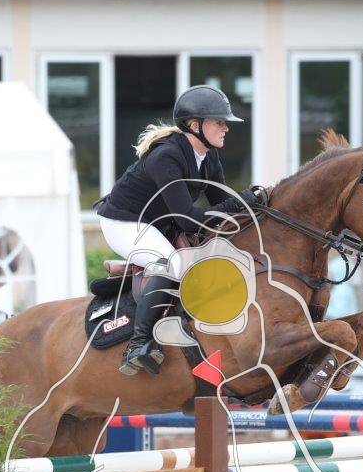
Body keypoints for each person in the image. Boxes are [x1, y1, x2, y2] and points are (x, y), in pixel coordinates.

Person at [95, 84, 248, 376]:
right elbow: (188, 219)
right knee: (171, 264)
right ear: (195, 126)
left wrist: (253, 205)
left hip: (157, 222)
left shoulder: (208, 157)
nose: (226, 128)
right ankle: (138, 345)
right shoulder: (166, 156)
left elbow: (222, 205)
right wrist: (241, 203)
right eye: (219, 122)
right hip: (125, 223)